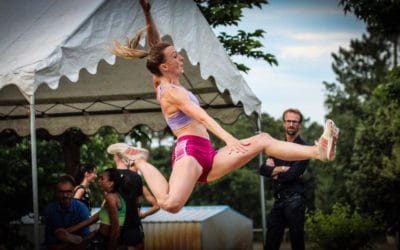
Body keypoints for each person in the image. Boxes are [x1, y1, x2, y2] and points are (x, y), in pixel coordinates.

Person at [109, 0, 339, 214]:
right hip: (189, 152)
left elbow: (155, 46)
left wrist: (148, 14)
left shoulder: (163, 79)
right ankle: (138, 159)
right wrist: (230, 139)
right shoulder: (171, 92)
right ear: (164, 66)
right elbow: (203, 118)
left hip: (207, 151)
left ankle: (318, 151)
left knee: (264, 139)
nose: (180, 58)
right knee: (170, 204)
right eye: (175, 56)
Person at [260, 108, 309, 250]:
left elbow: (291, 175)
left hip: (295, 199)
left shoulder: (304, 148)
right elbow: (263, 169)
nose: (291, 124)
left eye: (295, 121)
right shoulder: (277, 146)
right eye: (288, 121)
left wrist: (274, 171)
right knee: (271, 241)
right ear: (284, 123)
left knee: (297, 242)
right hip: (279, 199)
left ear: (299, 125)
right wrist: (281, 169)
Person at [55, 168, 126, 250]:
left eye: (102, 179)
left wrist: (111, 246)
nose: (99, 181)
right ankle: (74, 239)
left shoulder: (110, 197)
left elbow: (115, 226)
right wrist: (69, 230)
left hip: (104, 240)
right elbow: (93, 219)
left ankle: (75, 240)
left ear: (110, 183)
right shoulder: (115, 197)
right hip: (99, 235)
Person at [107, 143, 159, 250]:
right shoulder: (137, 179)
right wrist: (140, 213)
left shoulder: (110, 177)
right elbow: (142, 202)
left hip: (119, 226)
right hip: (133, 226)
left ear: (117, 156)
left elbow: (107, 203)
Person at [43, 175, 90, 250]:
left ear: (73, 191)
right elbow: (49, 240)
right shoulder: (50, 209)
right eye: (61, 192)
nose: (65, 195)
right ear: (57, 192)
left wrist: (67, 238)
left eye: (68, 192)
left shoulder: (82, 209)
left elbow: (85, 238)